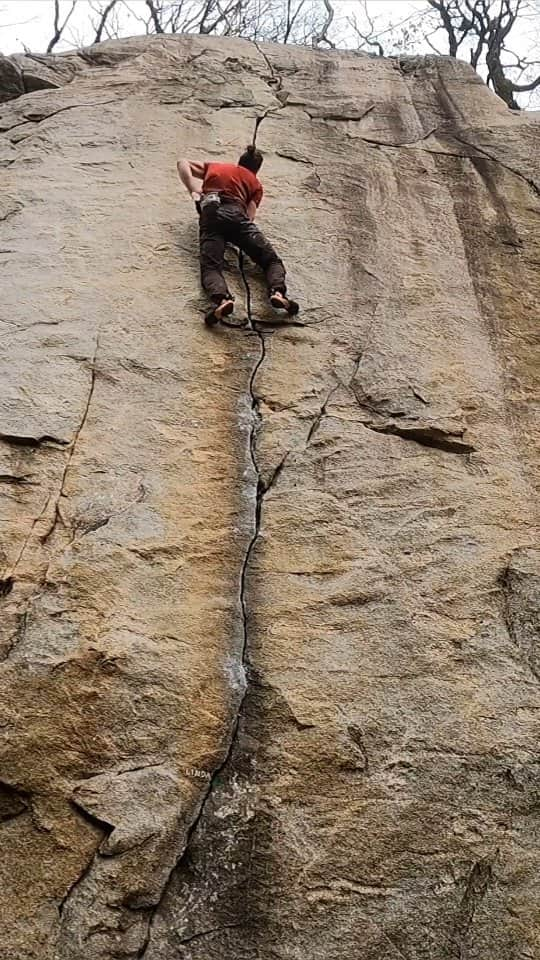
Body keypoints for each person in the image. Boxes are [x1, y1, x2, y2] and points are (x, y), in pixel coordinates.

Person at [177, 145, 298, 325]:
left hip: (211, 213)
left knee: (211, 266)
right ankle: (277, 292)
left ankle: (223, 300)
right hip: (236, 215)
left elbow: (182, 163)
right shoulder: (255, 183)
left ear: (240, 161)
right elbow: (250, 215)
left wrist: (194, 189)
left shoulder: (217, 167)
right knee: (271, 260)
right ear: (256, 169)